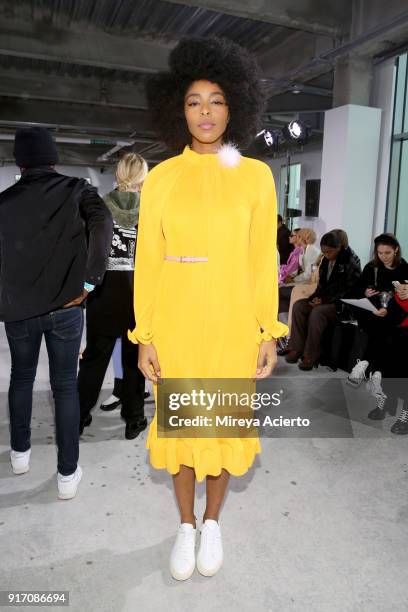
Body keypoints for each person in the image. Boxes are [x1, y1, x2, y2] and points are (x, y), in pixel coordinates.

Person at [128, 37, 287, 581]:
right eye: (194, 100)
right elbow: (148, 259)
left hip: (232, 323)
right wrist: (145, 333)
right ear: (179, 107)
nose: (205, 111)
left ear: (235, 105)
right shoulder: (162, 178)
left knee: (220, 428)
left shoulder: (256, 176)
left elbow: (263, 259)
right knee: (181, 430)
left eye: (216, 100)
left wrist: (268, 328)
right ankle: (185, 525)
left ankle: (213, 522)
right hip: (176, 323)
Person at [0, 127, 112, 499]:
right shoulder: (78, 190)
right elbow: (103, 224)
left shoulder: (4, 202)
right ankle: (67, 474)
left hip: (19, 311)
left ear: (19, 161)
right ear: (53, 158)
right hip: (67, 305)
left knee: (21, 379)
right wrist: (92, 280)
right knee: (65, 388)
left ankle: (20, 455)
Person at [78, 153, 148, 439]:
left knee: (94, 360)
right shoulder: (151, 209)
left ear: (119, 174)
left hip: (103, 294)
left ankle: (79, 416)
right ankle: (133, 419)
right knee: (134, 361)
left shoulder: (100, 207)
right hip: (138, 296)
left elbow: (88, 250)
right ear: (143, 177)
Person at [347, 234, 408, 420]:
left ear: (396, 249)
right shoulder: (372, 268)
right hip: (378, 320)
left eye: (387, 252)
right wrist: (365, 293)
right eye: (380, 252)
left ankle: (366, 361)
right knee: (386, 359)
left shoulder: (405, 270)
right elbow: (357, 291)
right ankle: (371, 370)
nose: (383, 256)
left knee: (396, 363)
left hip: (398, 321)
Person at [285, 230, 361, 370]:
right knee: (299, 306)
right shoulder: (326, 260)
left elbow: (346, 290)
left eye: (329, 252)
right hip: (326, 300)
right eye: (324, 251)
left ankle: (311, 356)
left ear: (339, 247)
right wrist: (315, 298)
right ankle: (296, 348)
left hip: (342, 305)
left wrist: (324, 300)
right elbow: (321, 286)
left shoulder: (351, 261)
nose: (326, 255)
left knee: (317, 312)